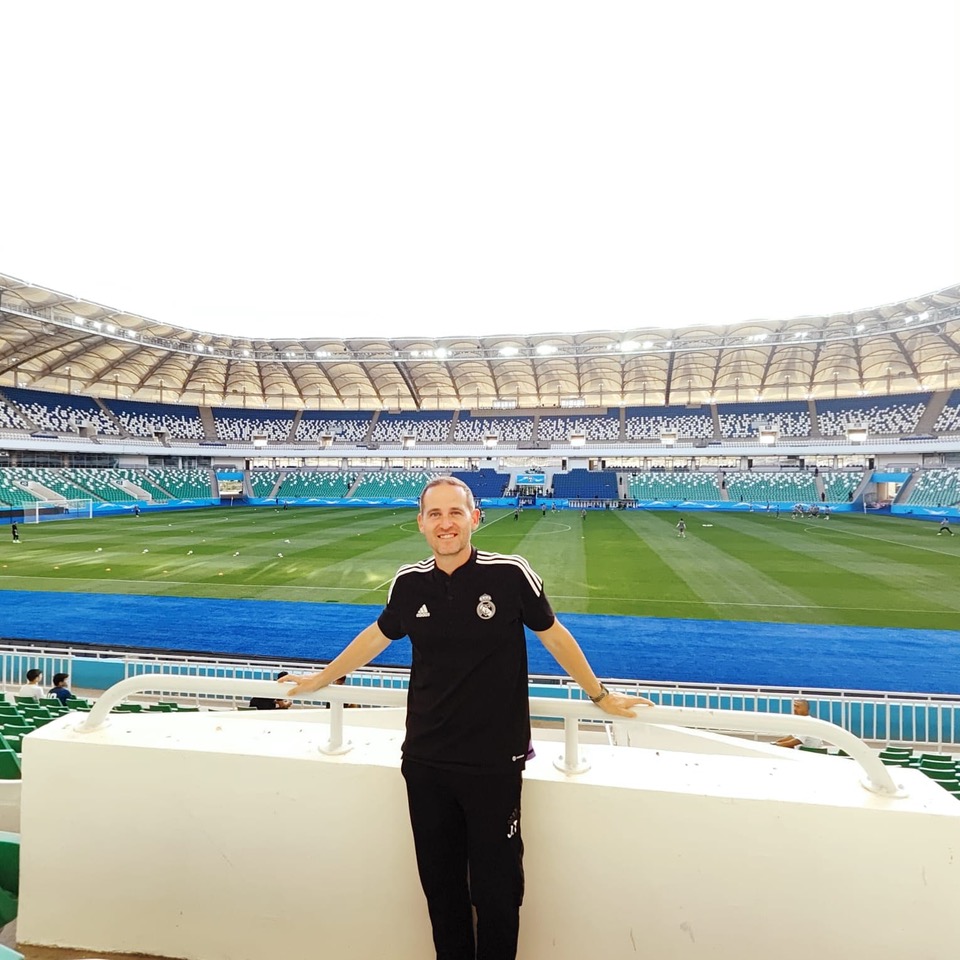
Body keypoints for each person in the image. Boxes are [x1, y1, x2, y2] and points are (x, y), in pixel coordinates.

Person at [284, 477, 651, 960]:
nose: (446, 523)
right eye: (435, 514)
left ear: (475, 518)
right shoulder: (409, 582)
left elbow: (554, 635)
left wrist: (600, 695)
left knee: (498, 894)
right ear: (421, 523)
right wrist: (319, 679)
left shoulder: (510, 574)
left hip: (493, 764)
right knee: (442, 893)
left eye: (455, 512)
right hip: (426, 762)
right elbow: (376, 636)